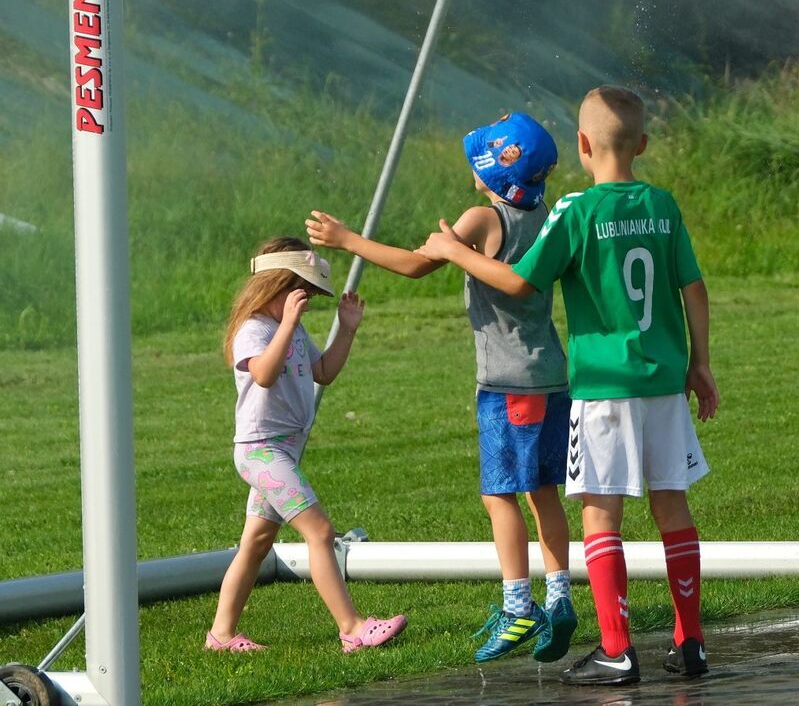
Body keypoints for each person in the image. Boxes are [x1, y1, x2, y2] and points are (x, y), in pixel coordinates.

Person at [420, 86, 719, 687]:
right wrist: (700, 363)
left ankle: (616, 649)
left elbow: (519, 284)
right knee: (673, 509)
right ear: (644, 144)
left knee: (601, 517)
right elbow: (694, 288)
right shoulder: (664, 205)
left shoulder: (576, 213)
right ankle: (691, 643)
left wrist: (454, 250)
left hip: (604, 390)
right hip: (663, 382)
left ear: (583, 146)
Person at [305, 111, 578, 664]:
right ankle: (561, 596)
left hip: (508, 383)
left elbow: (413, 266)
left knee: (498, 495)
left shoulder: (483, 218)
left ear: (497, 175)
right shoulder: (546, 215)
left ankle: (518, 604)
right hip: (552, 375)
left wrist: (346, 239)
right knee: (543, 492)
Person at [207, 236, 407, 654]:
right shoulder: (255, 329)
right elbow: (263, 373)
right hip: (262, 451)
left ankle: (221, 635)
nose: (308, 303)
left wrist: (347, 330)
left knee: (257, 543)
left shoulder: (290, 330)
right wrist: (286, 326)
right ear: (276, 286)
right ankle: (352, 628)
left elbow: (323, 372)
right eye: (303, 292)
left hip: (283, 451)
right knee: (320, 531)